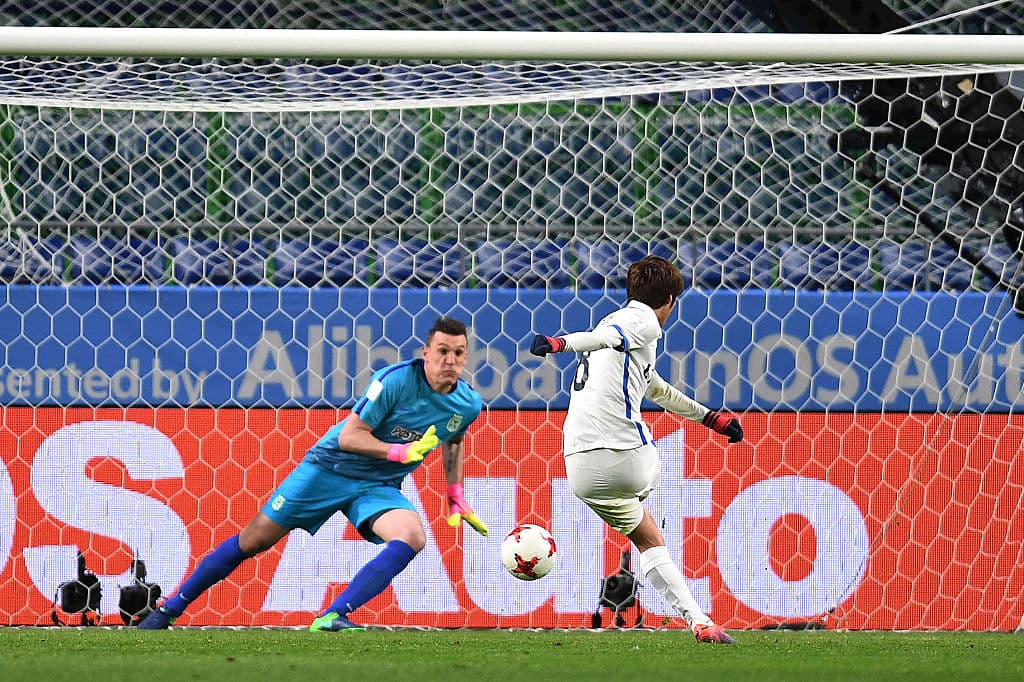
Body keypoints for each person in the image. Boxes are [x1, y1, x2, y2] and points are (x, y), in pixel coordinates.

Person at [140, 315, 487, 631]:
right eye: (442, 351)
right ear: (425, 353)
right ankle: (170, 608)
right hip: (328, 468)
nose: (449, 360)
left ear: (466, 358)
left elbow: (454, 440)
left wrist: (455, 493)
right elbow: (350, 437)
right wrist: (397, 452)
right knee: (254, 540)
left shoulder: (468, 404)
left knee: (412, 536)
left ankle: (333, 615)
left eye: (458, 353)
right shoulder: (394, 381)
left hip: (377, 485)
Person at [530, 255, 743, 645]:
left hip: (580, 469)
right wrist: (560, 343)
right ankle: (650, 502)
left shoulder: (615, 323)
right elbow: (604, 338)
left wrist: (709, 418)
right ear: (669, 300)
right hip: (626, 457)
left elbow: (655, 387)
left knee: (649, 541)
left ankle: (699, 621)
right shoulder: (642, 322)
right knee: (655, 468)